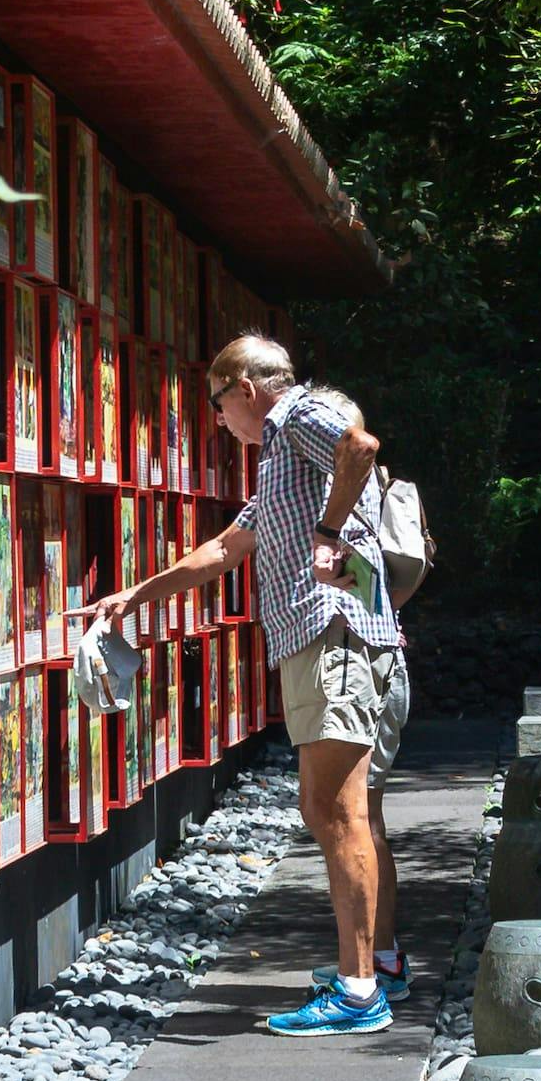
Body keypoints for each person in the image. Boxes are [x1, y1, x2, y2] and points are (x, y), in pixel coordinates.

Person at [84, 333, 406, 1035]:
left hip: (332, 633)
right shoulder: (278, 460)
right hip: (339, 634)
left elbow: (362, 444)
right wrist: (132, 596)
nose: (217, 418)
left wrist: (325, 533)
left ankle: (358, 995)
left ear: (245, 387)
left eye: (216, 401)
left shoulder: (294, 416)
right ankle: (377, 964)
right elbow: (224, 549)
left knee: (333, 811)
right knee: (353, 812)